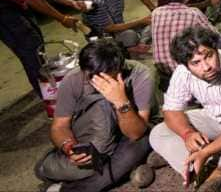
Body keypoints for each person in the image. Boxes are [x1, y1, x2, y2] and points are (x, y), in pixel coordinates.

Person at [149, 26, 221, 191]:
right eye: (196, 63)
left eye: (209, 56)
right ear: (186, 65)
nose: (206, 67)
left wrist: (205, 152)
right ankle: (206, 163)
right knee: (158, 132)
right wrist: (187, 133)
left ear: (216, 49)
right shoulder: (183, 72)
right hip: (212, 116)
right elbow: (171, 109)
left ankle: (205, 161)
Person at [35, 38, 154, 192]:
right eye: (89, 76)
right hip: (96, 133)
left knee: (135, 148)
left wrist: (121, 102)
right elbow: (59, 126)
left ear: (119, 69)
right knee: (98, 159)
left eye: (102, 77)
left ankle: (68, 189)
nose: (94, 81)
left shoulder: (141, 75)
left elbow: (135, 133)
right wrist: (68, 146)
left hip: (131, 128)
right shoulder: (73, 79)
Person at [152, 0, 221, 86]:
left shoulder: (156, 12)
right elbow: (214, 35)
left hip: (163, 69)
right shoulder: (193, 12)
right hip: (185, 67)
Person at [83, 0, 154, 49]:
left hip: (120, 29)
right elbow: (109, 28)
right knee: (130, 36)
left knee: (152, 24)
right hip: (104, 38)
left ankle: (140, 43)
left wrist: (154, 11)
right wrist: (140, 22)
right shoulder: (95, 1)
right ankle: (133, 47)